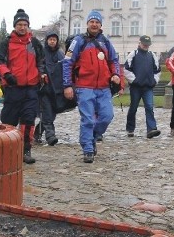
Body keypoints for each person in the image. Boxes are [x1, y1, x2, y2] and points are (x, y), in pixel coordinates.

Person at [63, 10, 122, 163]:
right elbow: (67, 62)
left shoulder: (106, 42)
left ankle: (92, 138)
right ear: (87, 23)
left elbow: (114, 60)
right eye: (92, 21)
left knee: (107, 116)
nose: (94, 24)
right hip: (84, 87)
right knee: (88, 119)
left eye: (97, 22)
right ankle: (88, 149)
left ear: (101, 24)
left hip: (103, 88)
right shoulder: (78, 41)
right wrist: (67, 85)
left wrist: (116, 74)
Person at [0, 9, 46, 164]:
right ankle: (5, 149)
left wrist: (42, 75)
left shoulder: (35, 43)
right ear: (15, 26)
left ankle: (25, 150)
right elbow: (0, 61)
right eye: (19, 24)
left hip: (31, 88)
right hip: (13, 87)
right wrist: (7, 74)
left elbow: (41, 62)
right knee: (8, 120)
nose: (22, 27)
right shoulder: (7, 42)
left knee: (28, 120)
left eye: (25, 24)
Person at [35, 31, 73, 146]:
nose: (52, 41)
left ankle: (37, 133)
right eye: (50, 39)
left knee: (51, 113)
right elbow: (38, 65)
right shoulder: (42, 53)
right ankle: (50, 136)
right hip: (44, 87)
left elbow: (64, 68)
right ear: (47, 40)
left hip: (56, 88)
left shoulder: (60, 54)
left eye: (54, 40)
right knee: (47, 112)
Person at [124, 35, 161, 138]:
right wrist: (134, 80)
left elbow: (157, 70)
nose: (145, 46)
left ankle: (151, 129)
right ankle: (130, 128)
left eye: (147, 44)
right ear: (139, 43)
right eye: (144, 44)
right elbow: (126, 69)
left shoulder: (152, 55)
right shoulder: (133, 54)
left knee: (149, 107)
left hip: (148, 87)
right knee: (133, 107)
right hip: (136, 87)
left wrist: (154, 81)